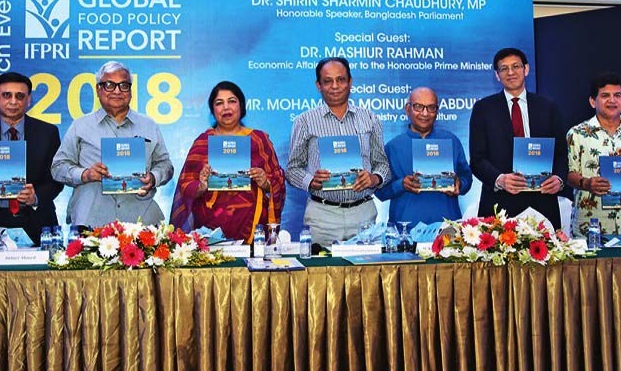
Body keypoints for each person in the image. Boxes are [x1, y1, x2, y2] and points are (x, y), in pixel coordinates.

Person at [51, 61, 173, 228]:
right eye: (109, 85)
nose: (117, 91)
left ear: (130, 90)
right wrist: (85, 174)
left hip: (141, 220)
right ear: (98, 90)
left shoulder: (149, 125)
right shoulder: (80, 126)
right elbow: (58, 167)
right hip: (90, 219)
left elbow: (165, 165)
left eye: (123, 85)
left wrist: (153, 177)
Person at [286, 57, 390, 245]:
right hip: (322, 216)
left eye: (340, 79)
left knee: (367, 274)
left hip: (363, 214)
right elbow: (292, 170)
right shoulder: (304, 121)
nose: (335, 86)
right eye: (328, 81)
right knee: (321, 273)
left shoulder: (370, 119)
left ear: (350, 82)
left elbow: (382, 165)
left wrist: (374, 178)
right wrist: (311, 181)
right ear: (319, 85)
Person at [170, 81, 285, 242]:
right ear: (213, 110)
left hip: (252, 228)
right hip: (210, 228)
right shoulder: (203, 142)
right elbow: (186, 185)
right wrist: (201, 186)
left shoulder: (259, 139)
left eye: (232, 101)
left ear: (241, 106)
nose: (226, 107)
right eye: (219, 103)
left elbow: (278, 179)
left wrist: (265, 181)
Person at [468, 47, 568, 229]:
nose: (511, 72)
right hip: (499, 205)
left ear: (526, 69)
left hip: (543, 204)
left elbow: (561, 153)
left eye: (516, 66)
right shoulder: (483, 109)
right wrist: (500, 179)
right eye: (504, 68)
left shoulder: (548, 107)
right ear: (497, 75)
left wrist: (559, 179)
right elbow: (477, 160)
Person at [0, 72, 63, 248]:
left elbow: (56, 179)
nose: (13, 101)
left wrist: (36, 197)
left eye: (20, 96)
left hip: (37, 223)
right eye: (6, 95)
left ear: (29, 99)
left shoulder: (48, 133)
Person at [567, 72, 621, 236]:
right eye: (605, 95)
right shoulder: (577, 134)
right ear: (593, 101)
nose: (612, 100)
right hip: (591, 222)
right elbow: (569, 173)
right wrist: (587, 183)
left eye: (617, 95)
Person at [376, 86, 472, 224]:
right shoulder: (392, 147)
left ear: (437, 111)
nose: (425, 113)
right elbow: (380, 192)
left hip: (447, 230)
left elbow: (467, 179)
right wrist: (401, 184)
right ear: (407, 109)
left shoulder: (451, 141)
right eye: (418, 107)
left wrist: (459, 183)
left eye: (431, 107)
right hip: (405, 232)